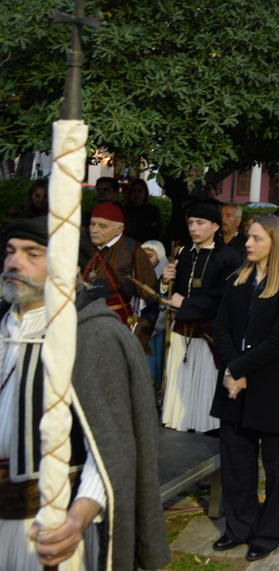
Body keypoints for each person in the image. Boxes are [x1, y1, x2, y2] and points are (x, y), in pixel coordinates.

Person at [0, 216, 169, 569]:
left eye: (33, 254)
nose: (15, 262)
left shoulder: (93, 336)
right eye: (11, 252)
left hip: (51, 526)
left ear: (70, 268)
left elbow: (110, 446)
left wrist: (78, 515)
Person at [209, 215, 279, 562]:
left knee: (277, 469)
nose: (247, 243)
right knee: (237, 464)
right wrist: (234, 369)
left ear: (274, 243)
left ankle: (266, 533)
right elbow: (220, 327)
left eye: (255, 238)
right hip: (235, 387)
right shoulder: (236, 280)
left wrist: (240, 368)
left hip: (273, 389)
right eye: (248, 237)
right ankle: (238, 527)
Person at [161, 203, 242, 433]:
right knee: (180, 383)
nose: (193, 228)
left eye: (200, 223)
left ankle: (205, 428)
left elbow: (224, 300)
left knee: (205, 384)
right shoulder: (185, 252)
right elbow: (173, 292)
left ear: (215, 226)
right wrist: (165, 281)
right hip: (182, 331)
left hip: (208, 334)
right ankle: (180, 422)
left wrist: (186, 304)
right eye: (190, 223)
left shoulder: (229, 258)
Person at [80, 201, 159, 349]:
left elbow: (152, 299)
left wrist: (138, 338)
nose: (94, 229)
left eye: (102, 226)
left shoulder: (132, 250)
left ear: (119, 229)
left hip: (118, 326)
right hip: (85, 323)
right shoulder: (87, 248)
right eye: (92, 224)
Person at [141, 239, 170, 385]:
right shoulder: (138, 275)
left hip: (154, 332)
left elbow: (164, 311)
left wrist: (149, 329)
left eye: (150, 256)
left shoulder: (165, 281)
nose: (146, 260)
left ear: (159, 257)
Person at [122, 178, 161, 244]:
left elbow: (156, 232)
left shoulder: (152, 211)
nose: (136, 193)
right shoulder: (124, 210)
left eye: (140, 191)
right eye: (133, 190)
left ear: (145, 193)